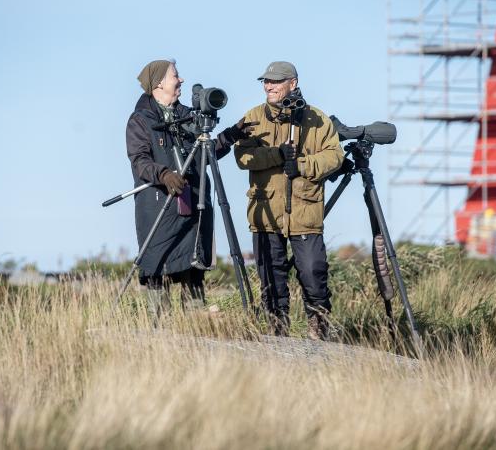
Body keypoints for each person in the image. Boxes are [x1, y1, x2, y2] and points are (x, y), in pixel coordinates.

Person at [126, 59, 255, 320]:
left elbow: (203, 156)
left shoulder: (188, 117)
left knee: (192, 267)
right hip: (160, 208)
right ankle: (158, 333)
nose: (181, 80)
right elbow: (139, 161)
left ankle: (196, 327)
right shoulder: (140, 120)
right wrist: (164, 174)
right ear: (159, 83)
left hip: (193, 206)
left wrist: (231, 135)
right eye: (176, 75)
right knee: (157, 268)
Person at [234, 61, 344, 339]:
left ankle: (318, 328)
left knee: (313, 271)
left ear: (292, 83)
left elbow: (335, 156)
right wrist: (278, 156)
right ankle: (276, 330)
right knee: (271, 277)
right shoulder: (253, 117)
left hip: (305, 211)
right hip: (265, 211)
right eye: (265, 82)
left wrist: (303, 165)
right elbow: (242, 157)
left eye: (275, 81)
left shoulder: (316, 119)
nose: (268, 86)